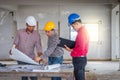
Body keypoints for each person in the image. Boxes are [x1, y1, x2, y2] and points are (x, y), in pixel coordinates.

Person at [10, 16, 42, 80]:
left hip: (31, 58)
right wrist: (12, 50)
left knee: (33, 76)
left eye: (33, 26)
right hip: (21, 58)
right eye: (30, 26)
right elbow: (15, 43)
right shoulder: (20, 32)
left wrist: (40, 56)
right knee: (24, 76)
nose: (31, 28)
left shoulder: (36, 34)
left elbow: (39, 46)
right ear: (26, 24)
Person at [64, 13, 89, 80]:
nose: (73, 28)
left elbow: (81, 49)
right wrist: (72, 47)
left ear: (77, 23)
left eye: (73, 26)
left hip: (79, 59)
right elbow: (79, 46)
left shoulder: (82, 33)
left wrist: (70, 50)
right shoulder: (82, 31)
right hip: (80, 59)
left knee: (79, 78)